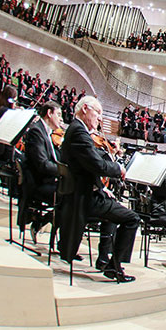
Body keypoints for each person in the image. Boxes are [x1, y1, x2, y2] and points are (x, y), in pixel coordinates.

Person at [59, 96, 139, 283]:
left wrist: (102, 187)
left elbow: (87, 164)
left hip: (81, 194)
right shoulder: (79, 132)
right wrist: (118, 169)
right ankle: (114, 266)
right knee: (132, 218)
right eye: (98, 113)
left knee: (114, 209)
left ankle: (104, 259)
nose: (100, 118)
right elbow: (97, 165)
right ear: (85, 109)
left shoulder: (76, 129)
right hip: (83, 198)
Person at [23, 100, 62, 202]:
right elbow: (43, 165)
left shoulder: (46, 132)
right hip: (39, 184)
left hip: (46, 181)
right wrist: (64, 171)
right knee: (74, 196)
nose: (61, 119)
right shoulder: (36, 131)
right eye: (58, 115)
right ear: (49, 113)